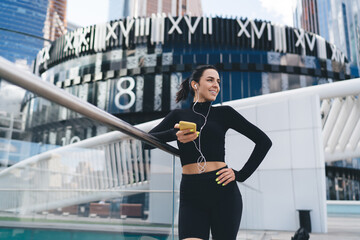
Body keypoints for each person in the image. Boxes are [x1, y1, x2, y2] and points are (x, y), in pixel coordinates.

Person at [145, 65, 272, 240]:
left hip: (223, 190)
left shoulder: (225, 113)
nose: (216, 85)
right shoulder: (178, 115)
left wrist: (240, 174)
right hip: (191, 192)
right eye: (210, 80)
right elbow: (146, 142)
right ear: (195, 85)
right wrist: (175, 134)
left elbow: (264, 142)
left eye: (218, 82)